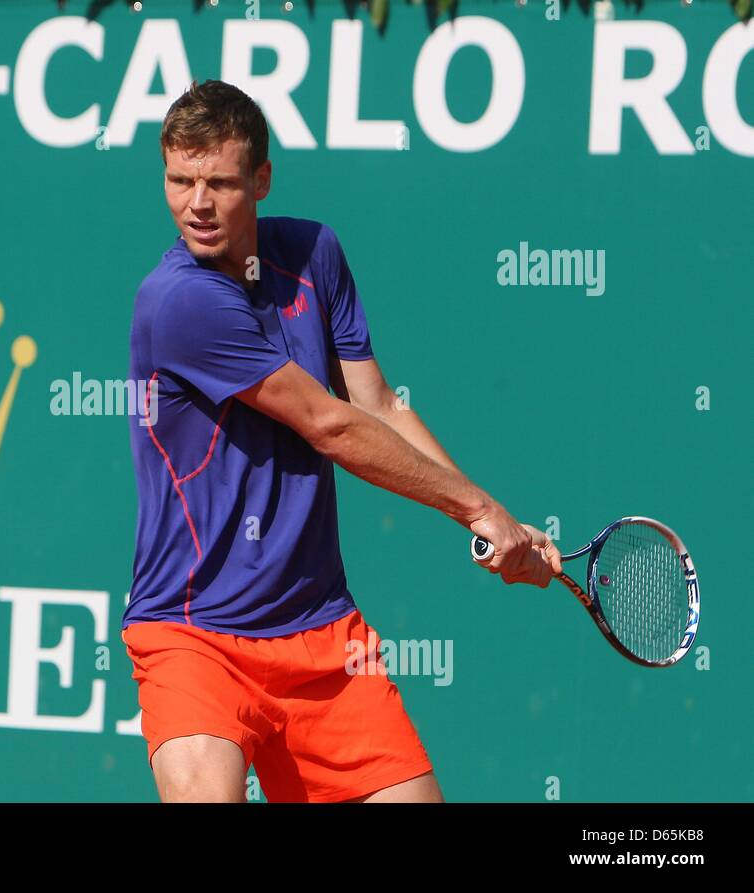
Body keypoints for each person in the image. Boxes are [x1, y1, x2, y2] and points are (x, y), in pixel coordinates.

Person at [122, 80, 562, 803]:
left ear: (261, 179)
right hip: (194, 634)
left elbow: (379, 404)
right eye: (180, 180)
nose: (197, 203)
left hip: (323, 635)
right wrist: (475, 508)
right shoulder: (180, 301)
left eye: (221, 182)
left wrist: (496, 521)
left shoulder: (314, 252)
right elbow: (331, 424)